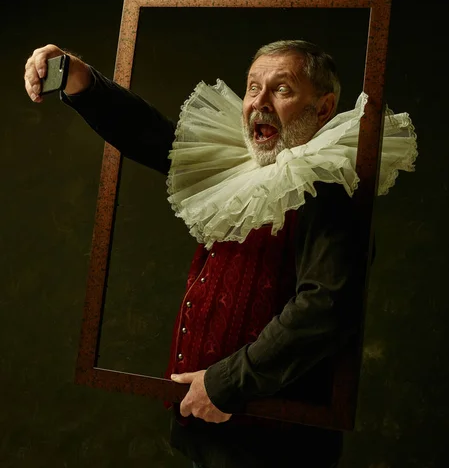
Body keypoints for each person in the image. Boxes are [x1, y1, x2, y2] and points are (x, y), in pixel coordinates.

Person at [24, 40, 416, 468]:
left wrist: (226, 383)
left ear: (323, 109)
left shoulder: (330, 185)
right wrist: (83, 81)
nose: (259, 103)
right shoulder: (243, 167)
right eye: (252, 88)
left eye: (281, 90)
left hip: (273, 443)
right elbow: (153, 135)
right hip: (212, 430)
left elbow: (326, 307)